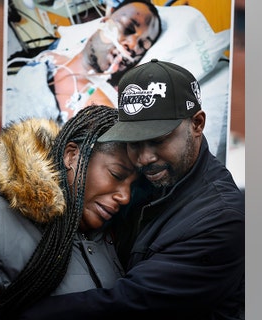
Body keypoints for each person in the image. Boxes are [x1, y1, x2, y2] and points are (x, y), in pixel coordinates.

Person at [18, 59, 245, 319]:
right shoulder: (149, 181)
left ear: (197, 124)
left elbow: (129, 305)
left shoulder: (221, 219)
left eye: (158, 140)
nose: (144, 158)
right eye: (134, 142)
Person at [0, 105, 138, 318]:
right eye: (117, 174)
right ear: (71, 155)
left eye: (132, 185)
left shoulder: (103, 232)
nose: (125, 196)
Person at [4, 0, 162, 125]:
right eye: (128, 28)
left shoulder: (99, 108)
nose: (133, 45)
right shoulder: (51, 56)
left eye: (142, 45)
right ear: (106, 20)